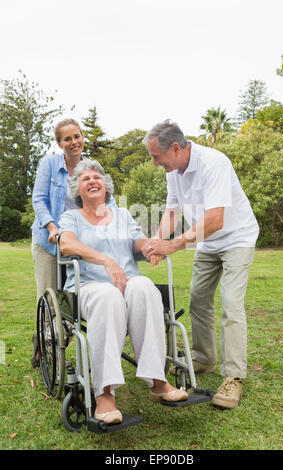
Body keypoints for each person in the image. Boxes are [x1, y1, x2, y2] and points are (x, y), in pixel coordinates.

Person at [58, 159, 188, 424]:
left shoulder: (123, 215)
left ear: (106, 186)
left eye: (97, 177)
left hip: (127, 282)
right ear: (77, 190)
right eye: (85, 179)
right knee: (108, 297)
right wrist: (105, 260)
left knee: (145, 287)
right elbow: (67, 245)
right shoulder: (71, 217)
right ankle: (104, 394)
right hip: (89, 286)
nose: (93, 181)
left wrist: (150, 247)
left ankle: (158, 381)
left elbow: (138, 242)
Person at [141, 119, 259, 409]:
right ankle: (205, 357)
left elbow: (216, 219)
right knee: (198, 299)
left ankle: (233, 378)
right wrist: (156, 242)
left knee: (231, 303)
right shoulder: (174, 172)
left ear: (176, 148)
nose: (155, 163)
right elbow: (171, 212)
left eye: (156, 156)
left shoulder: (213, 163)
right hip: (208, 242)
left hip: (236, 238)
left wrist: (175, 244)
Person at [30, 118, 117, 367]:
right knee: (49, 297)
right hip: (49, 240)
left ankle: (57, 342)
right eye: (67, 138)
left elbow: (105, 197)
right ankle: (48, 349)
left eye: (77, 136)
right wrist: (52, 227)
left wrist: (113, 220)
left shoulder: (91, 166)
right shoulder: (48, 164)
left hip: (78, 242)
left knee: (71, 297)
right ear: (59, 143)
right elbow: (39, 199)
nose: (74, 142)